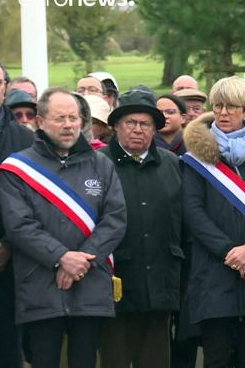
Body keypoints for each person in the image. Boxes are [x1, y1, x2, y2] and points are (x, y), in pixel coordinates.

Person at [0, 86, 127, 368]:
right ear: (41, 122)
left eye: (74, 118)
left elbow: (115, 219)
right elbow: (19, 225)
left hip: (89, 284)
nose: (68, 125)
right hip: (40, 286)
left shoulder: (101, 165)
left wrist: (81, 262)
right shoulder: (17, 169)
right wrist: (61, 258)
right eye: (60, 118)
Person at [181, 76, 245, 367]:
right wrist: (231, 252)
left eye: (231, 107)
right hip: (214, 269)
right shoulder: (196, 159)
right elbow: (193, 212)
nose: (223, 113)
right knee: (216, 356)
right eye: (218, 106)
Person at [97, 89, 182, 368]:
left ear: (154, 129)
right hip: (116, 284)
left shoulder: (171, 164)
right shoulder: (98, 165)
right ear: (116, 126)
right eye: (130, 123)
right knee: (115, 359)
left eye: (145, 124)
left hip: (161, 283)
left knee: (156, 360)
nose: (137, 130)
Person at [0, 56, 33, 368]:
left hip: (11, 262)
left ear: (6, 88)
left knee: (8, 351)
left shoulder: (26, 138)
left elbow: (37, 202)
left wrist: (8, 243)